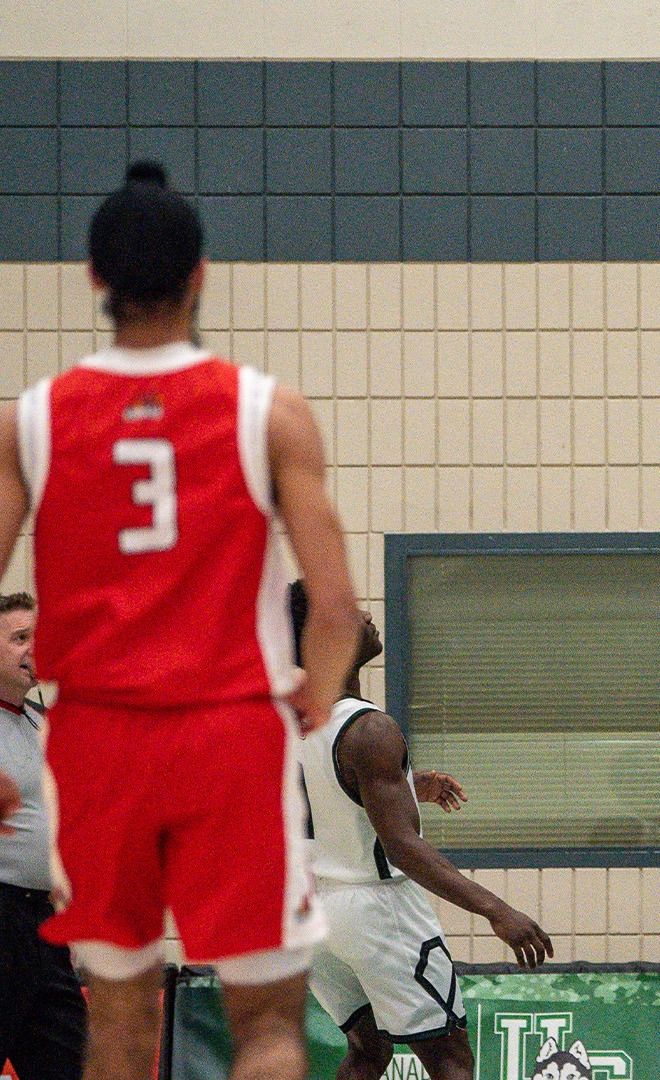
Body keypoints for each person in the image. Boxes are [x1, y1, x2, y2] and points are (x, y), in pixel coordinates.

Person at [0, 161, 363, 1080]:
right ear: (200, 275)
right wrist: (316, 700)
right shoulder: (269, 412)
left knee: (119, 1025)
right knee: (268, 1027)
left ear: (94, 277)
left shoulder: (29, 423)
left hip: (97, 743)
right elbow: (335, 609)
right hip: (228, 733)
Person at [290, 583, 552, 1080]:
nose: (368, 616)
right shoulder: (369, 729)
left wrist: (407, 785)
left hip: (311, 912)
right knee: (451, 1059)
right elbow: (403, 849)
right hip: (376, 911)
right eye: (352, 612)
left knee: (368, 1054)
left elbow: (326, 795)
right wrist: (496, 910)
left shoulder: (290, 721)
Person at [0, 594, 87, 1080]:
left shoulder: (43, 722)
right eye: (20, 638)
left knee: (70, 1064)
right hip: (2, 913)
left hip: (45, 922)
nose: (34, 648)